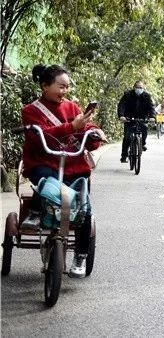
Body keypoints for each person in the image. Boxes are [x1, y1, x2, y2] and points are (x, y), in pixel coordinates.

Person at [21, 64, 107, 278]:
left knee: (84, 206)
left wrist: (94, 134)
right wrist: (72, 127)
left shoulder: (72, 108)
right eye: (60, 87)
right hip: (44, 162)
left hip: (73, 165)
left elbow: (84, 132)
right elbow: (39, 138)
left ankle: (80, 255)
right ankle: (36, 210)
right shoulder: (30, 111)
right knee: (47, 182)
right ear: (44, 86)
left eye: (67, 87)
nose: (65, 92)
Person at [117, 80, 155, 162]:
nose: (139, 89)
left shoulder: (146, 96)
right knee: (127, 137)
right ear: (134, 87)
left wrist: (152, 116)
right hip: (129, 118)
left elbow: (151, 107)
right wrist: (121, 116)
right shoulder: (128, 94)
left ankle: (142, 144)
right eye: (137, 87)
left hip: (142, 118)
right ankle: (124, 156)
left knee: (144, 128)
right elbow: (122, 105)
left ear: (143, 88)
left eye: (141, 87)